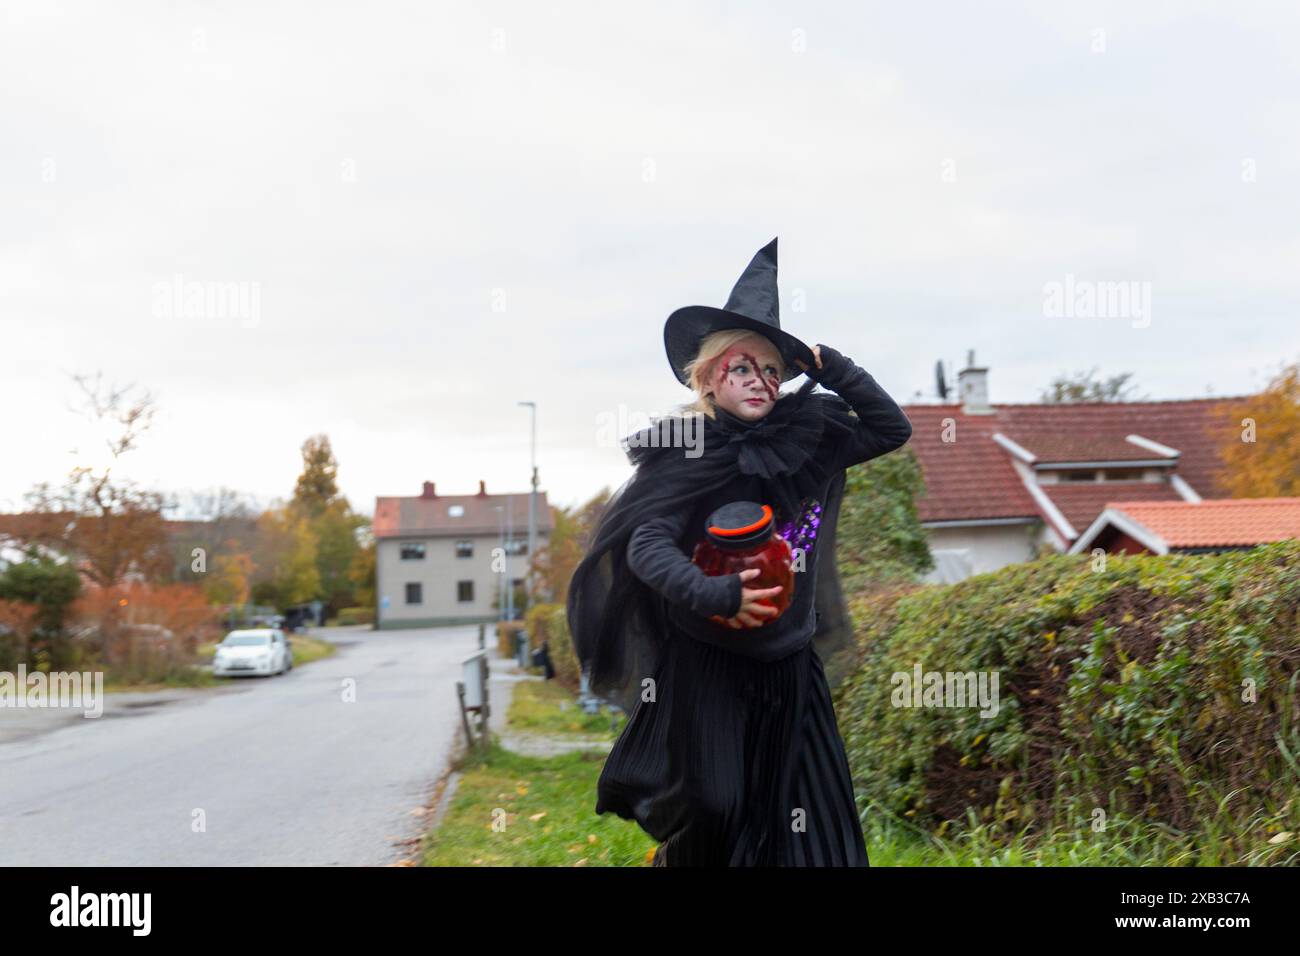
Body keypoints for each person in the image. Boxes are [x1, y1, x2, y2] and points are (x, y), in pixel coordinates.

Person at [567, 237, 913, 866]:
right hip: (709, 665)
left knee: (804, 821)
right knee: (718, 805)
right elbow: (647, 544)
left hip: (789, 664)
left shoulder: (808, 442)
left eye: (773, 370)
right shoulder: (685, 454)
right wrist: (717, 593)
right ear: (708, 378)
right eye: (743, 367)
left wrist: (827, 364)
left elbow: (891, 428)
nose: (761, 380)